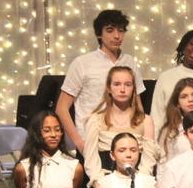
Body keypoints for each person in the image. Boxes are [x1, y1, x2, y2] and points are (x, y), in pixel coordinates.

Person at [56, 9, 146, 154]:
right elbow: (61, 107)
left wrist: (142, 136)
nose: (117, 36)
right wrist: (79, 142)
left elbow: (137, 104)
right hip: (93, 143)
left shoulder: (129, 62)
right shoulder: (82, 63)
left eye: (121, 30)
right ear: (99, 34)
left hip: (127, 144)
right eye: (110, 30)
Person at [83, 65, 158, 185]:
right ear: (109, 88)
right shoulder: (95, 120)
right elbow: (91, 159)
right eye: (117, 84)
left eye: (127, 84)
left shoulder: (145, 120)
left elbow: (149, 160)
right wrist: (101, 183)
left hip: (136, 183)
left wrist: (139, 183)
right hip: (104, 184)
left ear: (133, 88)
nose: (122, 89)